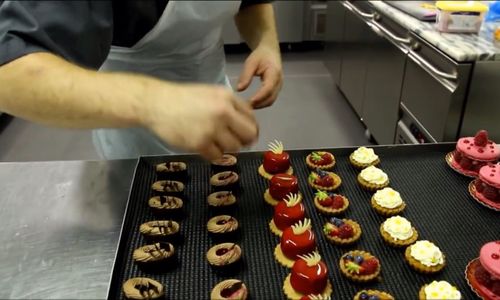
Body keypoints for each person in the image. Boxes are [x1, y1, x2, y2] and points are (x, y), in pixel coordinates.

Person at [0, 1, 283, 160]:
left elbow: (252, 2)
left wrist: (266, 43)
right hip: (134, 126)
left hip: (214, 95)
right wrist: (155, 101)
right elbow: (11, 70)